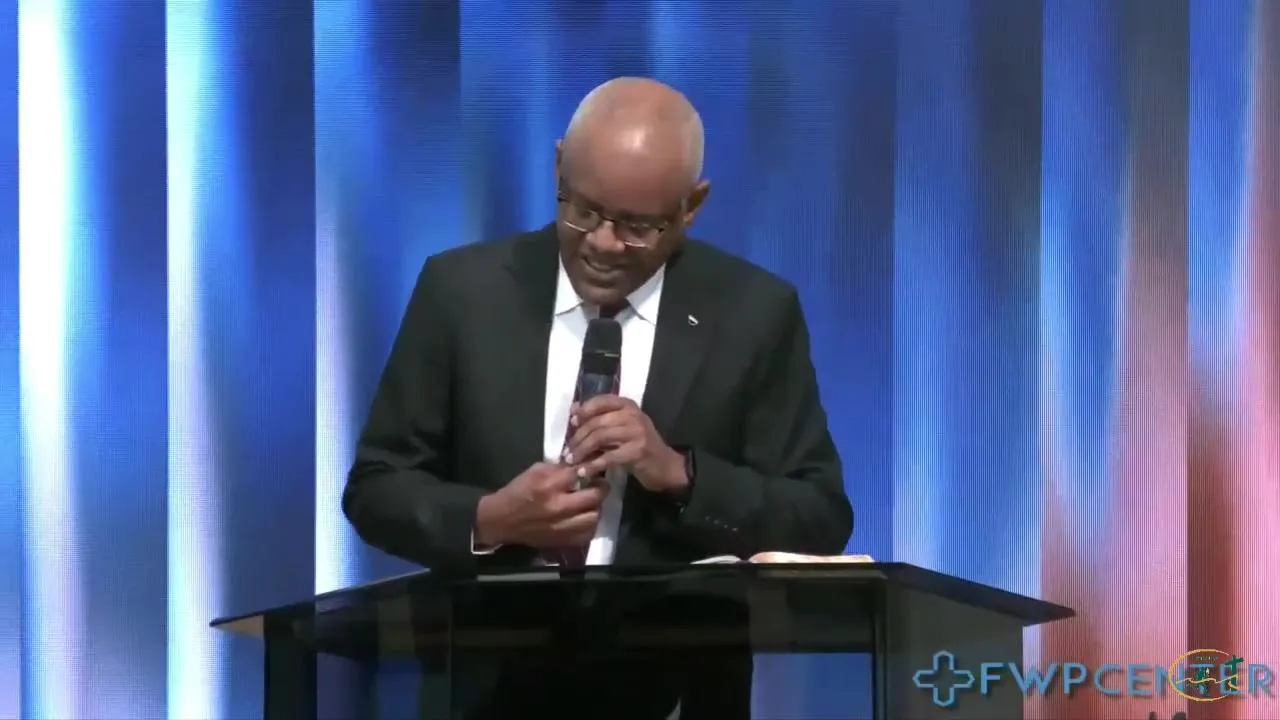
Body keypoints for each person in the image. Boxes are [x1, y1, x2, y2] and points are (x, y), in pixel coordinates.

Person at [344, 77, 853, 720]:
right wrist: (493, 518)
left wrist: (681, 474)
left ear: (691, 206)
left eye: (638, 226)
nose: (603, 243)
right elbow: (377, 486)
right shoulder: (462, 292)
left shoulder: (753, 314)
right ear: (558, 165)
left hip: (677, 694)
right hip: (483, 686)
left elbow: (819, 516)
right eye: (582, 210)